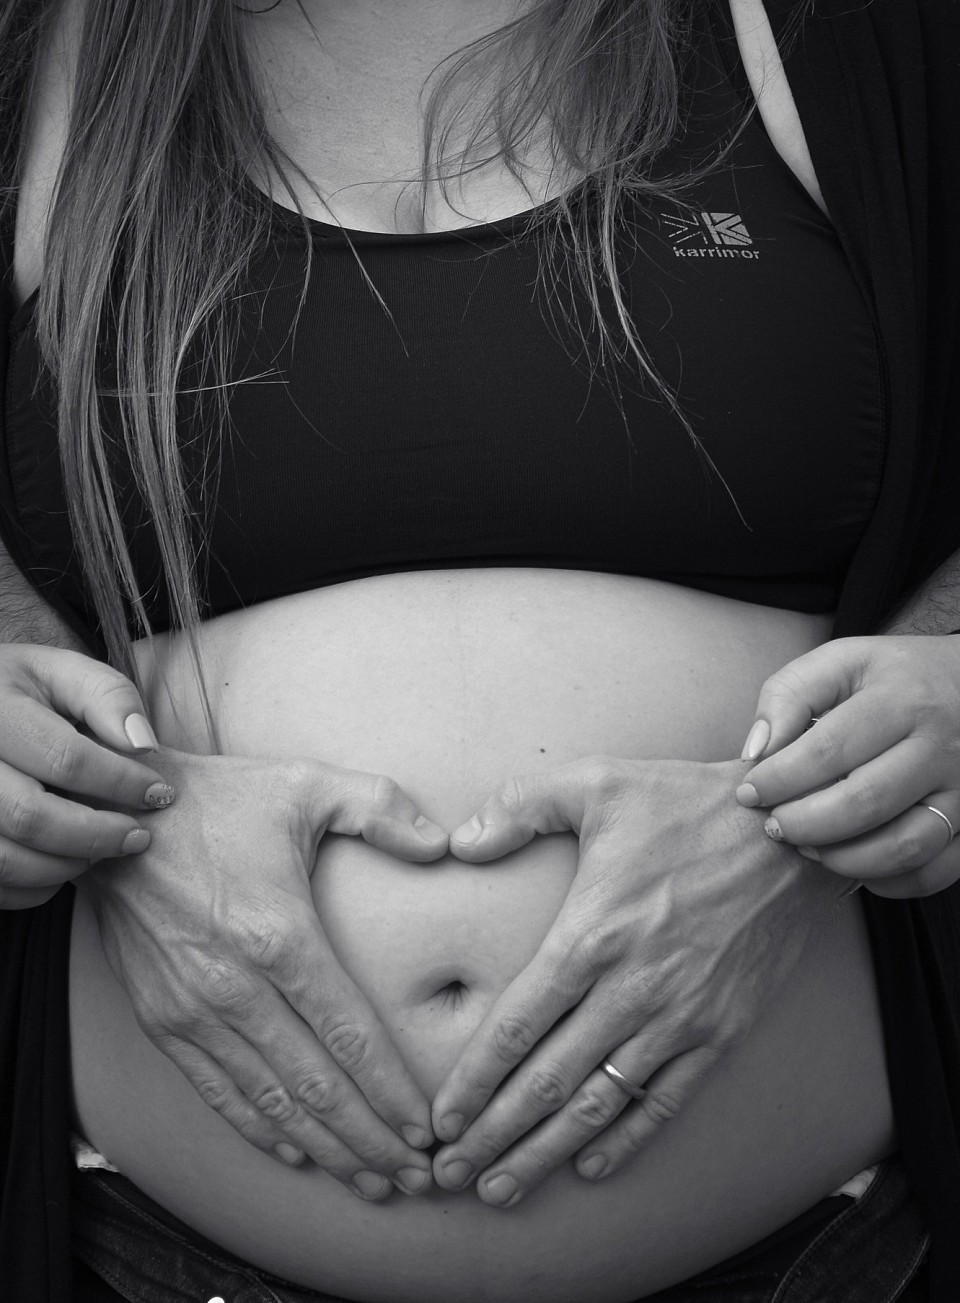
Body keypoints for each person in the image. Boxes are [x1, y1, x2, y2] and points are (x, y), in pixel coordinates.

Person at [1, 0, 958, 1299]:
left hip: (820, 1254)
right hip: (150, 1254)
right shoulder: (43, 50)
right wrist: (69, 782)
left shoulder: (862, 36)